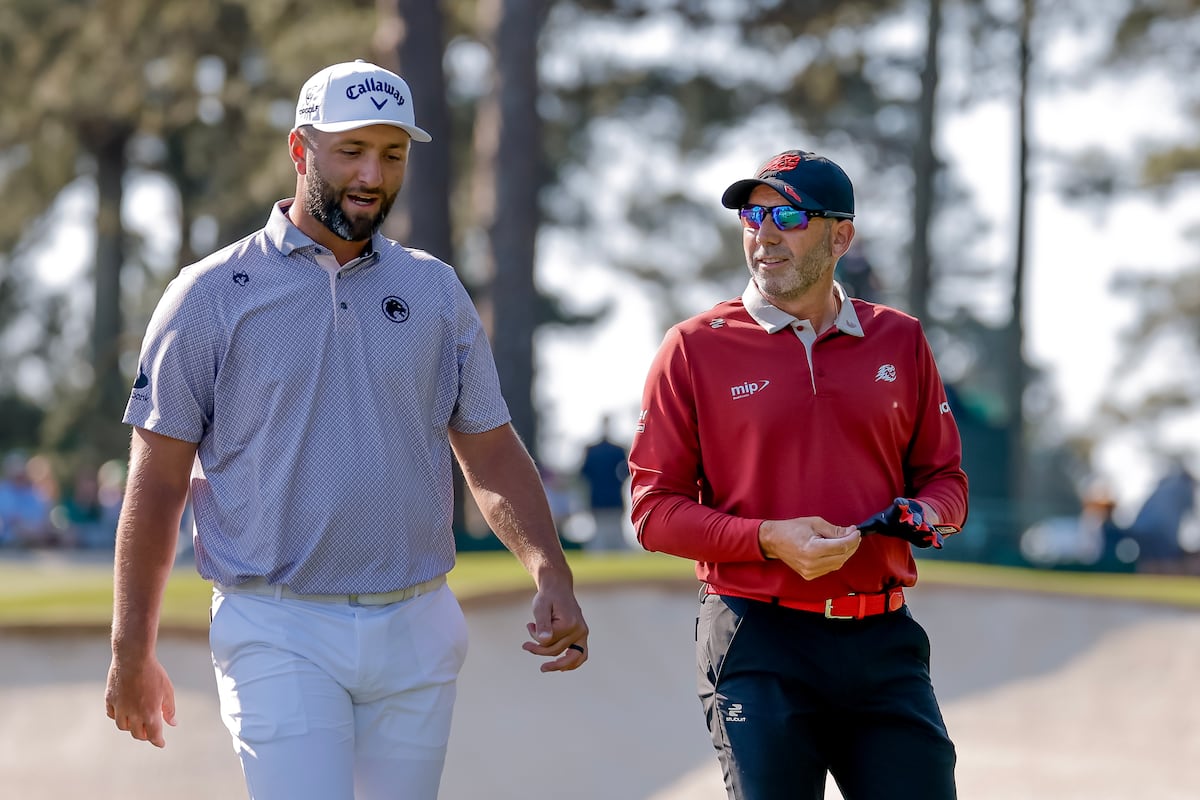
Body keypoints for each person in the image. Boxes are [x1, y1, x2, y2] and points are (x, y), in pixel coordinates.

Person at [104, 60, 589, 800]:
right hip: (277, 625)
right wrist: (130, 648)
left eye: (392, 154)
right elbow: (158, 480)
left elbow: (488, 449)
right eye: (352, 150)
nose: (373, 173)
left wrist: (550, 569)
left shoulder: (433, 291)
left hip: (418, 620)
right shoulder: (208, 294)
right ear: (302, 152)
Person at [628, 150, 969, 800]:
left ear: (841, 236)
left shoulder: (901, 340)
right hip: (759, 640)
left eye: (787, 214)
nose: (765, 232)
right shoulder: (694, 348)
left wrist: (925, 515)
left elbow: (946, 480)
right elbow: (653, 511)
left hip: (882, 640)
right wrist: (767, 538)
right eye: (752, 214)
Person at [578, 415, 630, 550]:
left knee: (612, 534)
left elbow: (583, 473)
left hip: (607, 498)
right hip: (604, 498)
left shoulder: (612, 450)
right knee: (603, 535)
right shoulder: (614, 450)